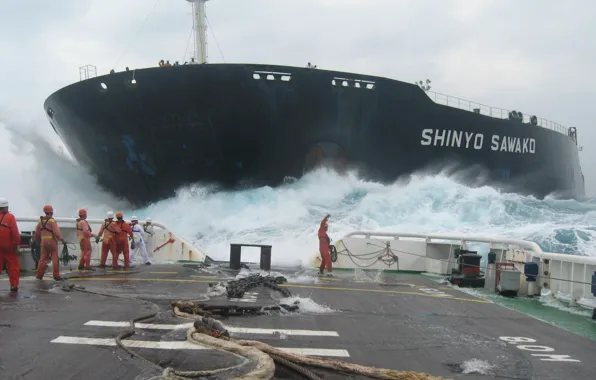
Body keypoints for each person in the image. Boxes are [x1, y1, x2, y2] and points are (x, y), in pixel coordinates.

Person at [35, 205, 67, 281]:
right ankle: (56, 275)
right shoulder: (52, 221)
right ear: (51, 212)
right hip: (52, 242)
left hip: (43, 243)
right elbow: (57, 232)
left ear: (45, 212)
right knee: (55, 259)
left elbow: (37, 234)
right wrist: (62, 239)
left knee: (43, 259)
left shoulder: (40, 222)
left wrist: (37, 241)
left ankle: (39, 275)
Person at [0, 198, 21, 291]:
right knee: (13, 266)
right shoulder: (10, 217)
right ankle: (14, 285)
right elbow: (15, 232)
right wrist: (17, 244)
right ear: (6, 207)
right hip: (9, 246)